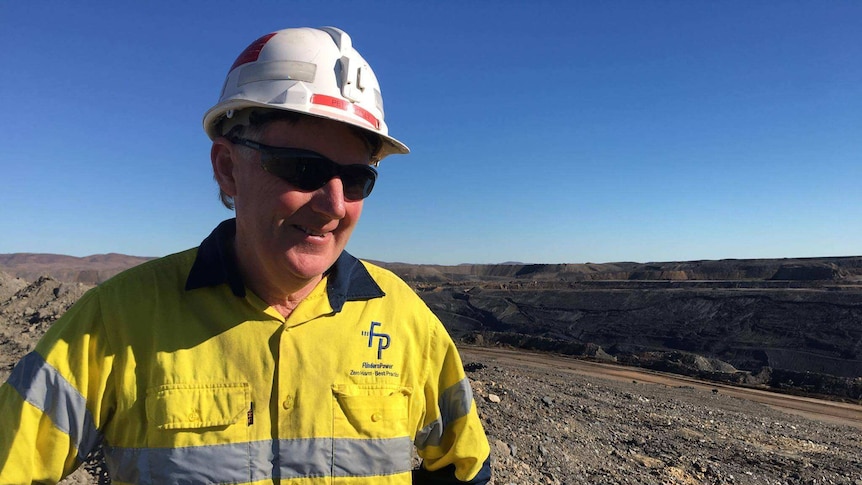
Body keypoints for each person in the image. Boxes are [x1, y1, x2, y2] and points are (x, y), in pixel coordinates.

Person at [0, 26, 492, 484]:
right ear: (227, 168)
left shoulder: (407, 322)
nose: (334, 205)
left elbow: (465, 467)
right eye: (303, 168)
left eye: (358, 179)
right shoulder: (112, 323)